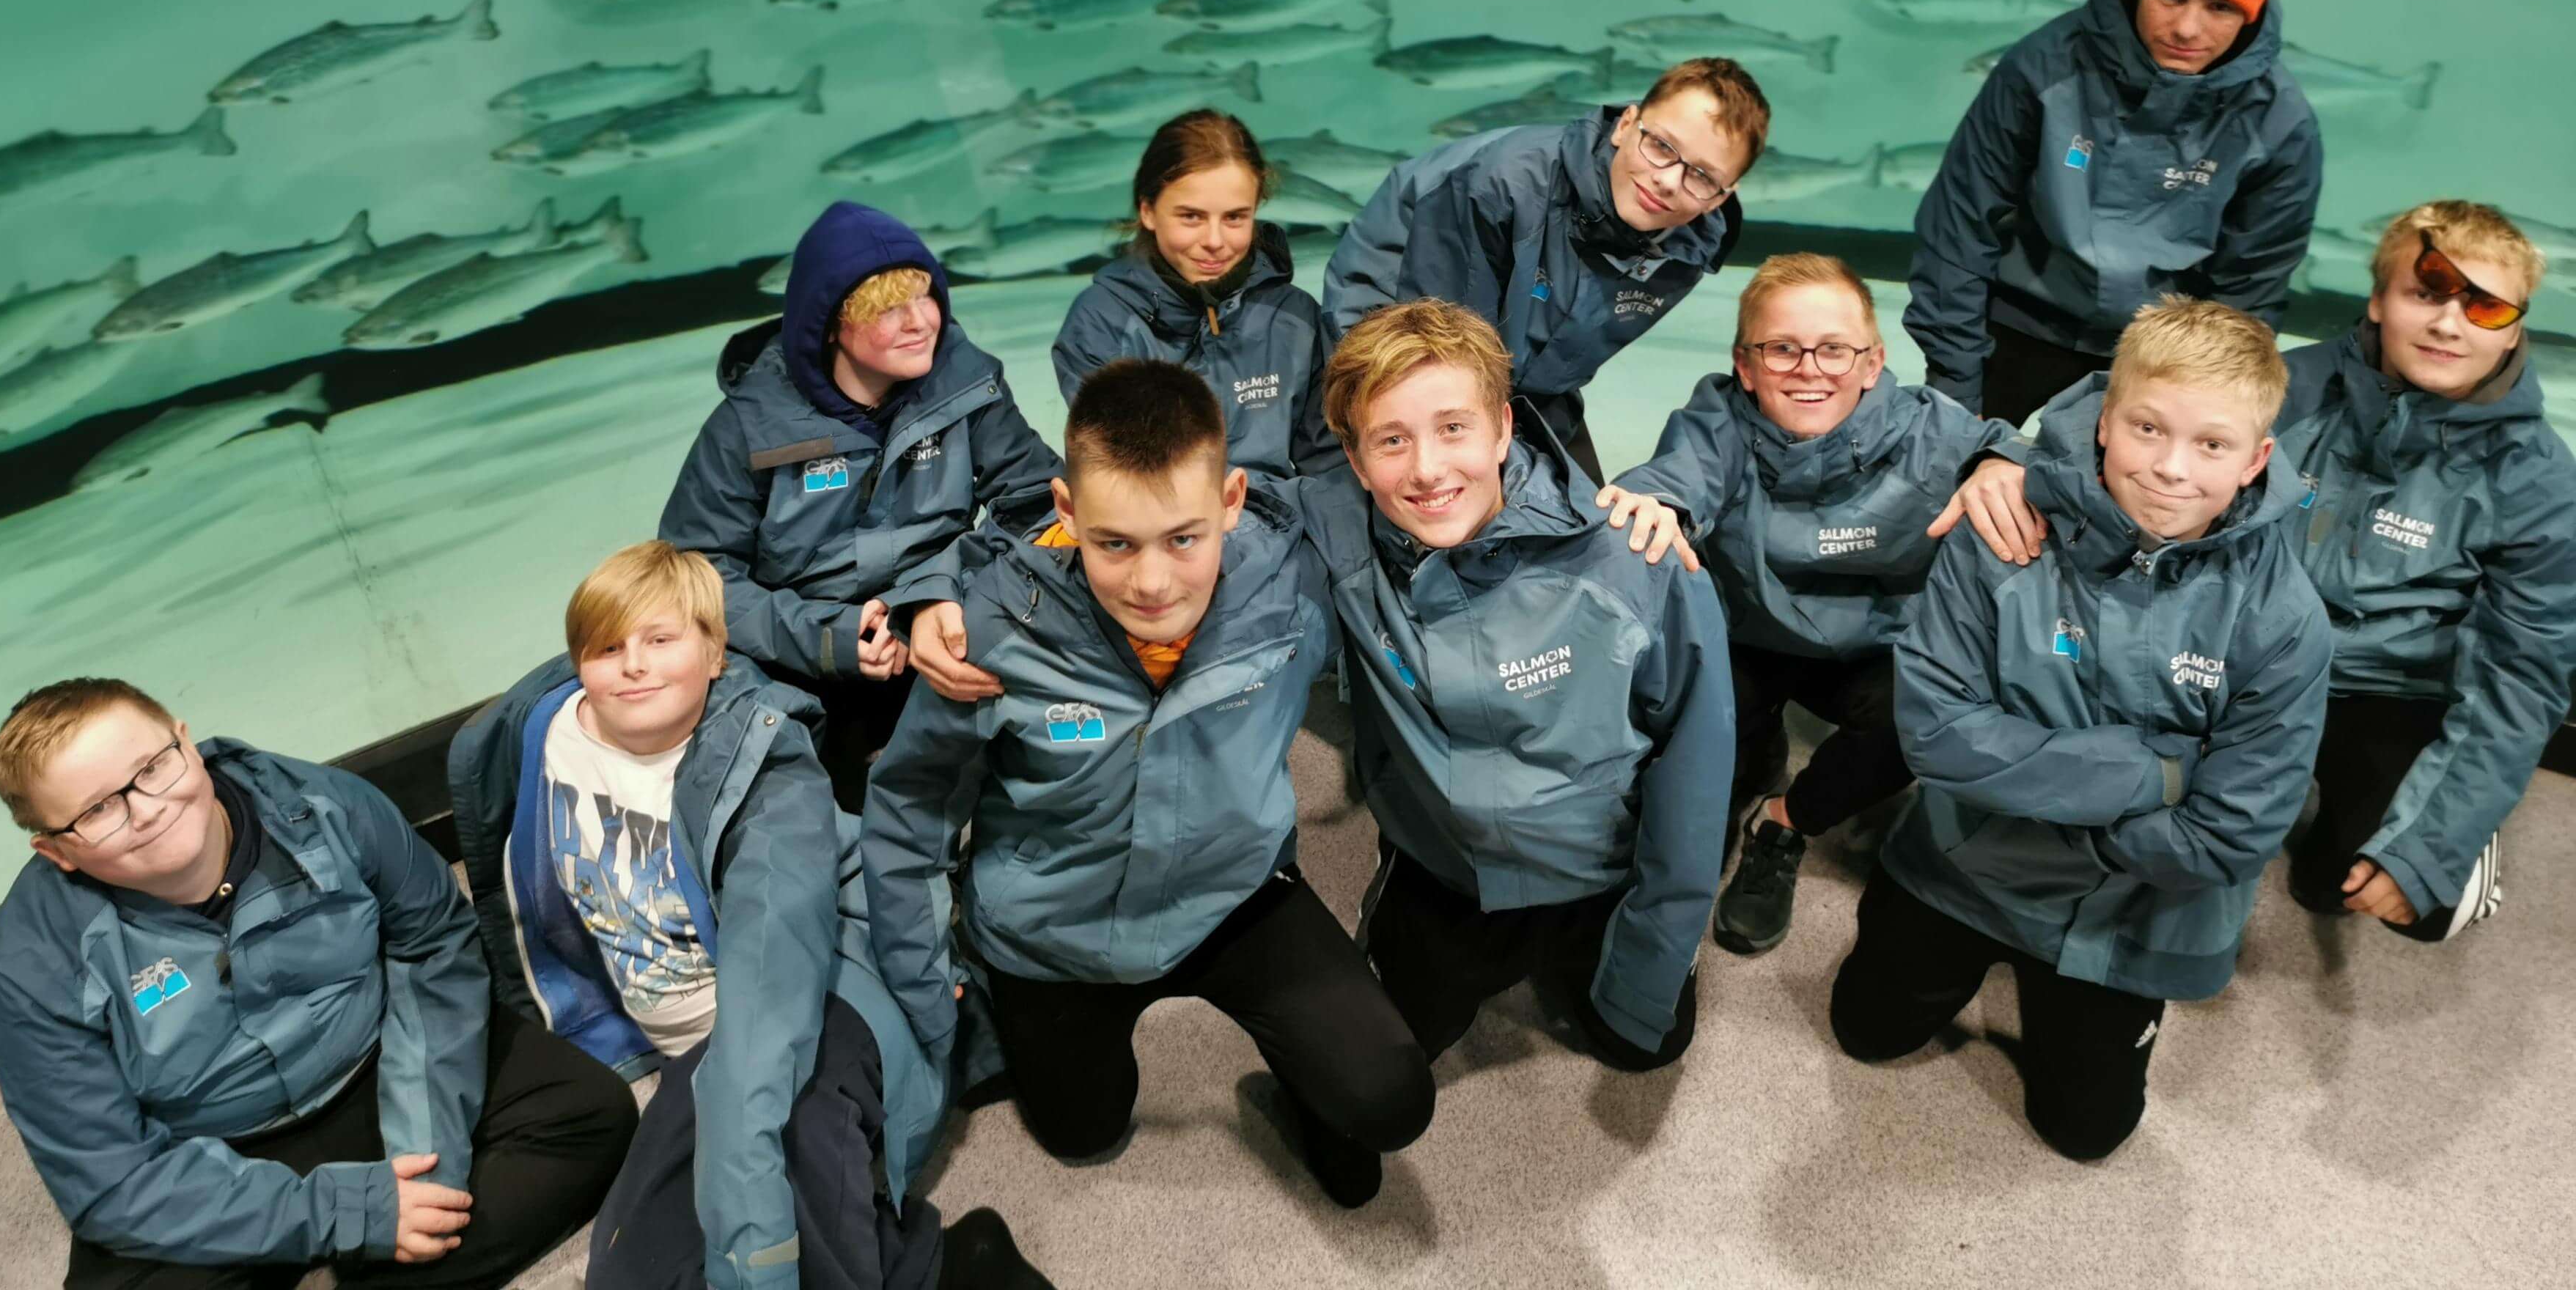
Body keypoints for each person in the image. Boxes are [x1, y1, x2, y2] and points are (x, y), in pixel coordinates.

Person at [864, 361, 1435, 1209]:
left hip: (1233, 892)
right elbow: (908, 813)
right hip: (1054, 931)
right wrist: (927, 987)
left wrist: (1634, 498)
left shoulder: (1293, 578)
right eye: (1115, 543)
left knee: (1387, 1100)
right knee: (1083, 1132)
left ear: (1232, 500)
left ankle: (1304, 1081)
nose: (1153, 583)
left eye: (1184, 539)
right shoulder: (987, 629)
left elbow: (1437, 490)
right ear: (1067, 513)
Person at [447, 541, 1049, 1290]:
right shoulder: (537, 736)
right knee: (630, 1269)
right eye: (607, 648)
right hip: (695, 1047)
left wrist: (754, 1266)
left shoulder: (768, 773)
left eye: (661, 640)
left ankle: (950, 1265)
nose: (632, 665)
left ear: (716, 653)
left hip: (825, 986)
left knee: (779, 1172)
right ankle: (949, 1262)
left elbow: (767, 1005)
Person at [1833, 298, 2330, 1160]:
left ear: (2257, 459)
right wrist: (2160, 772)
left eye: (2212, 445)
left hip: (2132, 905)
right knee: (1864, 1032)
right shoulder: (2000, 529)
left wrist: (2047, 810)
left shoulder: (2285, 618)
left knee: (2087, 1132)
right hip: (1962, 865)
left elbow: (2233, 833)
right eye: (2147, 428)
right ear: (2105, 422)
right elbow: (1939, 735)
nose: (2171, 468)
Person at [0, 678, 636, 1289]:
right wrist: (344, 1213)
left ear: (186, 743)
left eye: (152, 767)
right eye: (98, 809)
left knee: (592, 1116)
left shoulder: (326, 804)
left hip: (380, 1060)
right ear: (57, 851)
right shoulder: (37, 961)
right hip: (208, 1148)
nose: (147, 811)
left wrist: (426, 1155)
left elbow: (435, 945)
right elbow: (110, 1177)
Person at [1301, 298, 1730, 1074]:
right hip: (1444, 870)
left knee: (1646, 1044)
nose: (1427, 469)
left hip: (1600, 872)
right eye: (1392, 440)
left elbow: (1694, 788)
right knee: (1371, 1087)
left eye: (1454, 428)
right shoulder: (1337, 542)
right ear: (1356, 462)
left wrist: (1656, 946)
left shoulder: (1636, 559)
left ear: (1503, 428)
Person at [1613, 253, 2024, 957]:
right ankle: (1746, 765)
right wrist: (1655, 504)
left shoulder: (1929, 428)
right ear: (1746, 366)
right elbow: (1677, 475)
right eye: (1782, 349)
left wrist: (2003, 464)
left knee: (1926, 716)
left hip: (1874, 645)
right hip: (1749, 631)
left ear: (1873, 362)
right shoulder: (1719, 419)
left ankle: (1784, 821)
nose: (1810, 369)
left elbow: (2020, 446)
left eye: (1835, 349)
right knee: (1687, 716)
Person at [660, 199, 1060, 811]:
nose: (920, 322)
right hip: (801, 656)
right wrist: (827, 638)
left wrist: (940, 597)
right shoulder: (748, 426)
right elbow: (696, 573)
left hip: (946, 623)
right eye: (888, 309)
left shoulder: (967, 383)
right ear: (828, 326)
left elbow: (1041, 506)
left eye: (925, 297)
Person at [1905, 0, 2322, 427]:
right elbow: (1959, 228)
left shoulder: (2281, 122)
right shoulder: (2041, 68)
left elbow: (2250, 291)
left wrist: (2199, 405)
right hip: (2013, 323)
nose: (2187, 28)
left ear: (2250, 13)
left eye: (2220, 8)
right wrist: (1956, 391)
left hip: (2160, 355)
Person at [2272, 202, 2576, 940]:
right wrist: (2009, 460)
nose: (2449, 324)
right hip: (2254, 658)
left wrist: (2428, 849)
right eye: (2426, 292)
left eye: (2486, 307)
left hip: (2394, 690)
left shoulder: (2540, 483)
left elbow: (2520, 678)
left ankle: (2449, 834)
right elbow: (2129, 410)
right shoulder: (2282, 385)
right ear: (2379, 299)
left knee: (2405, 893)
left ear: (2513, 331)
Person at [1322, 58, 1766, 480]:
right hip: (1392, 348)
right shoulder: (1498, 186)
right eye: (1662, 146)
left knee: (1587, 518)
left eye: (1703, 176)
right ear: (1626, 125)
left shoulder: (1689, 244)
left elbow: (1559, 351)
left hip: (1520, 375)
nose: (1668, 180)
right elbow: (1445, 362)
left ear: (1723, 195)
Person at [1050, 108, 1339, 482]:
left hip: (1283, 515)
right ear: (1148, 211)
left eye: (1235, 217)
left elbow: (1330, 469)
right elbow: (1130, 484)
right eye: (1191, 217)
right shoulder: (1101, 324)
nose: (1214, 241)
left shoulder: (1295, 316)